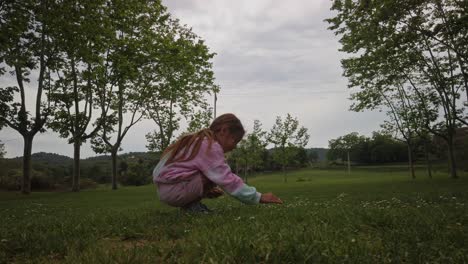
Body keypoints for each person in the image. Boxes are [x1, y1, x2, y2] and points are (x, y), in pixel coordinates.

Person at [153, 113, 283, 213]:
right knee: (216, 173)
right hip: (174, 190)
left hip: (166, 189)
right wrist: (258, 197)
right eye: (234, 141)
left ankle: (191, 206)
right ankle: (192, 207)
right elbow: (227, 179)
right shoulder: (210, 146)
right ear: (224, 131)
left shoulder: (198, 141)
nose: (234, 147)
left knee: (212, 173)